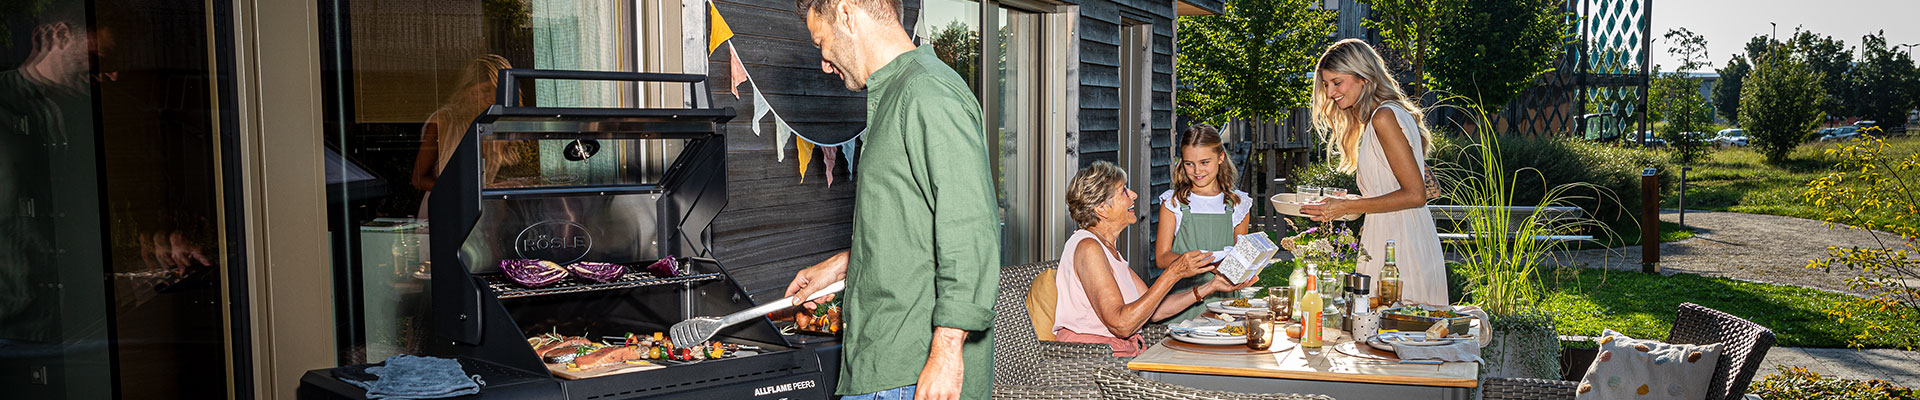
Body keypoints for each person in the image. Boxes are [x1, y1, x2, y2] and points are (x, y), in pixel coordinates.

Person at [780, 0, 1001, 398]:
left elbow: (970, 232)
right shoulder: (896, 93)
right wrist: (845, 265)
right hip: (883, 365)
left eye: (821, 42)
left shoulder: (927, 92)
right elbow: (916, 226)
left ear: (847, 13)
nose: (825, 63)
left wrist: (947, 351)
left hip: (907, 374)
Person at [1299, 38, 1447, 305]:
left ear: (1363, 78)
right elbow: (1409, 188)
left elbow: (1417, 195)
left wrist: (1345, 207)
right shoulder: (1385, 115)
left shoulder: (1383, 117)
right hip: (1395, 235)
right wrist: (1353, 203)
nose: (1330, 92)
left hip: (1400, 246)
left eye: (1337, 82)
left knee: (1395, 335)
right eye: (1326, 84)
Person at [1055, 162, 1251, 357]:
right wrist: (1173, 273)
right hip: (1095, 363)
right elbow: (1121, 325)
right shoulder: (1088, 248)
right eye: (1123, 191)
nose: (1133, 195)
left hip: (1122, 356)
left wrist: (1211, 286)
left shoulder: (1107, 249)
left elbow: (1154, 310)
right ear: (1101, 208)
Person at [1151, 124, 1254, 322]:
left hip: (1224, 301)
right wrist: (1209, 264)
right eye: (1189, 163)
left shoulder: (1238, 204)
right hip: (1182, 301)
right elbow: (1162, 257)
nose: (1197, 170)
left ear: (1221, 157)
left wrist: (1246, 270)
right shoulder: (1173, 202)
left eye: (1204, 162)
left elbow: (1242, 257)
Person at [411, 54, 519, 219]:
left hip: (486, 212)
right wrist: (474, 191)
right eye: (484, 90)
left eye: (497, 91)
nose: (491, 98)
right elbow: (419, 179)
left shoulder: (498, 124)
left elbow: (485, 179)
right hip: (447, 209)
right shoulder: (444, 120)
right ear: (467, 90)